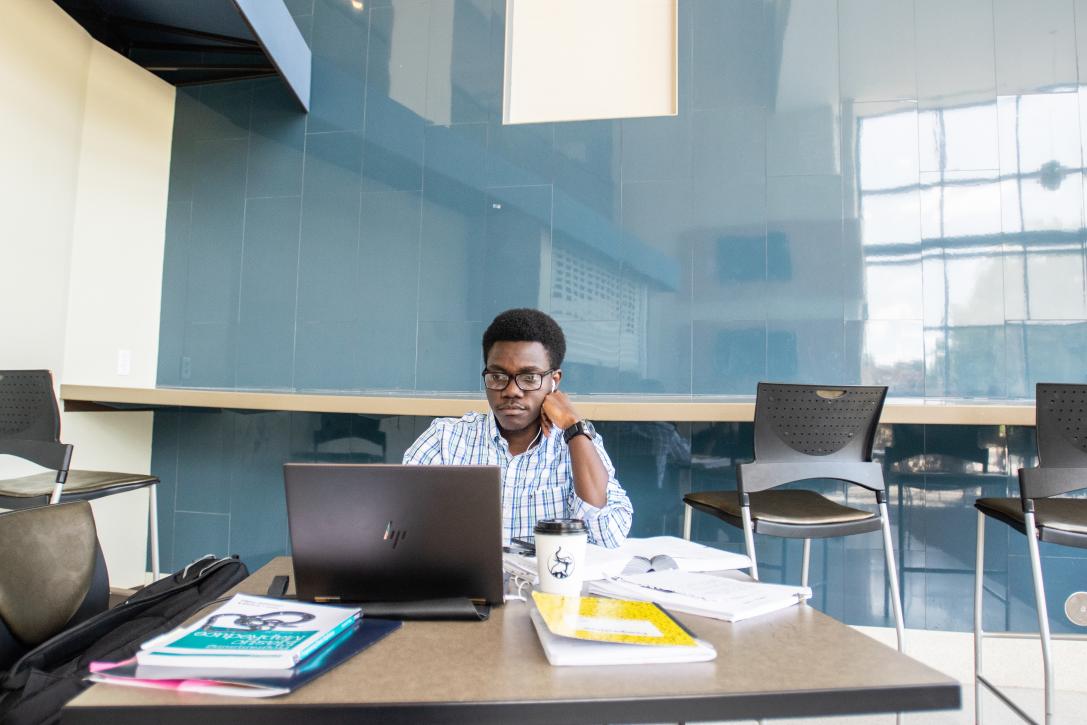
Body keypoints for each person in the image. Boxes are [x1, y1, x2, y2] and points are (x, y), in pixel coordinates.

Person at [403, 308, 633, 548]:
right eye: (498, 376)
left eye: (530, 378)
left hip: (542, 585)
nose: (511, 390)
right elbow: (396, 524)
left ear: (553, 382)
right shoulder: (446, 439)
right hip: (464, 584)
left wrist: (573, 425)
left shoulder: (577, 444)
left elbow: (609, 536)